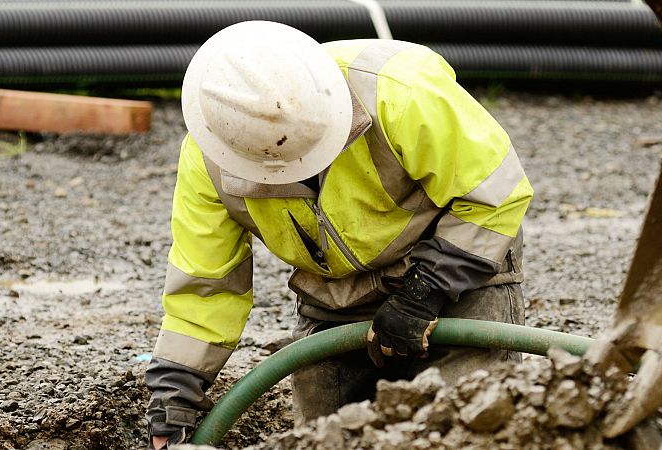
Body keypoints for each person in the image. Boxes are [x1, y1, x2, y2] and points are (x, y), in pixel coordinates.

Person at [145, 20, 533, 449]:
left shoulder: (400, 91)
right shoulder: (211, 156)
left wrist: (424, 292)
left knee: (469, 423)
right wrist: (174, 391)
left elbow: (494, 195)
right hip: (334, 295)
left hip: (454, 266)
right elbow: (207, 282)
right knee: (321, 438)